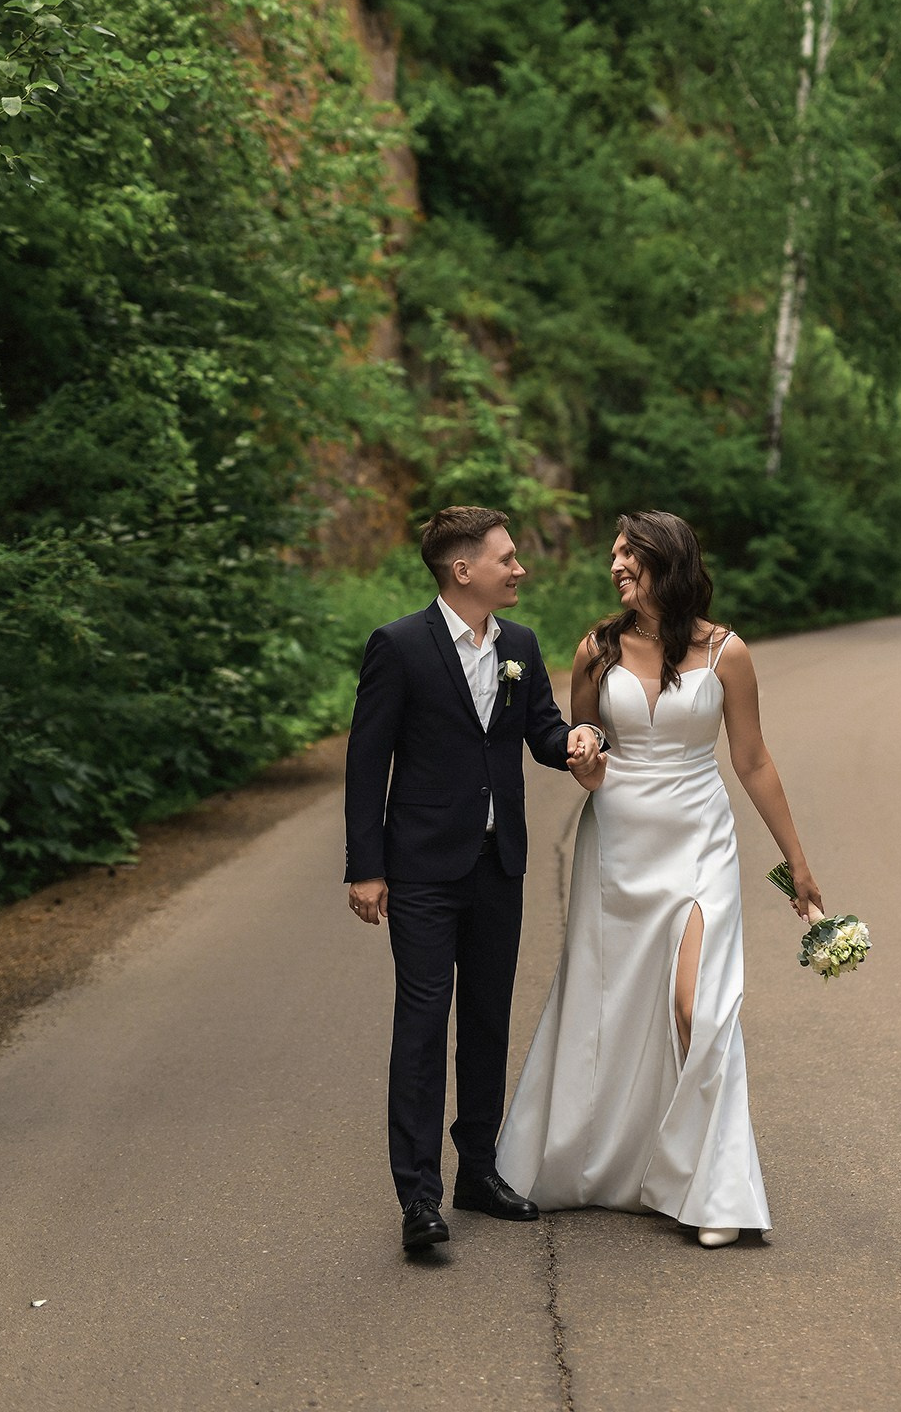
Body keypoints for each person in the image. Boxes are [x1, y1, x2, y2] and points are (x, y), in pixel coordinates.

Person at [496, 509, 823, 1248]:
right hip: (616, 842)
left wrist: (797, 862)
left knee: (697, 1006)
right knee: (610, 1003)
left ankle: (715, 1191)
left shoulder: (726, 653)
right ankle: (609, 1161)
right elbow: (584, 749)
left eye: (628, 554)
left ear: (665, 563)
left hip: (699, 839)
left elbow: (753, 761)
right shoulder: (595, 649)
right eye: (613, 554)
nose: (615, 565)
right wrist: (585, 760)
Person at [345, 505, 607, 1254]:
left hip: (499, 864)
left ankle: (478, 1172)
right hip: (422, 869)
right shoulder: (399, 647)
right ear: (464, 571)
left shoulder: (519, 645)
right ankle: (419, 1198)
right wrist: (366, 868)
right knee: (423, 1025)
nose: (519, 569)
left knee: (488, 1021)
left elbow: (544, 733)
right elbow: (368, 764)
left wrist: (580, 744)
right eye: (507, 558)